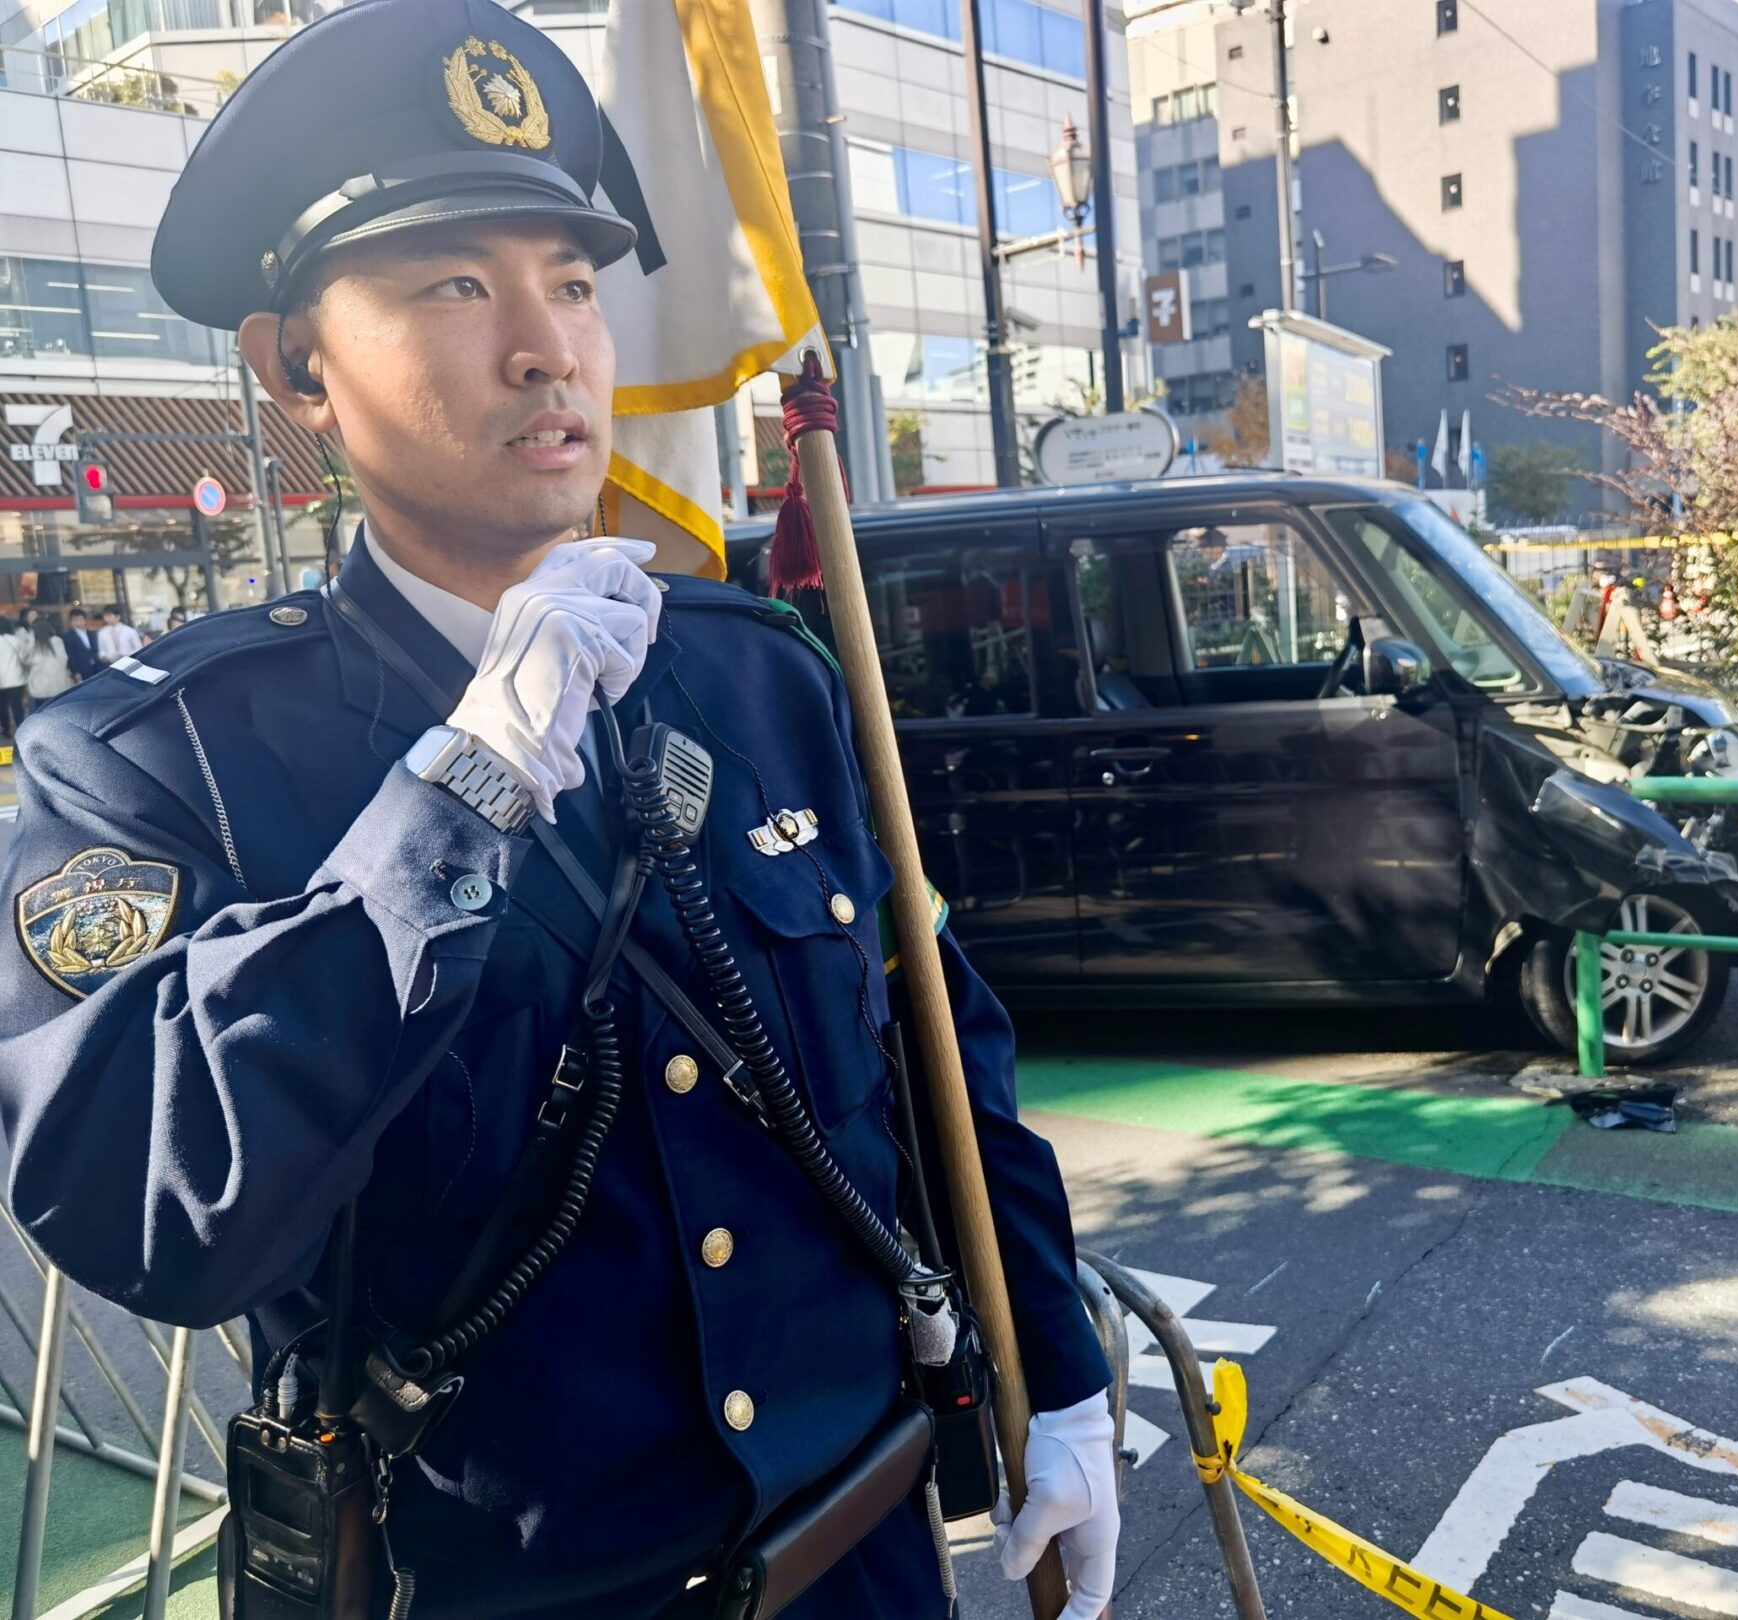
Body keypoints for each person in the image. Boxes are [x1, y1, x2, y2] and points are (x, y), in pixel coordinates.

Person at [0, 5, 1117, 1619]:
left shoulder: (761, 681)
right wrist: (462, 791)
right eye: (456, 283)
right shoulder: (163, 758)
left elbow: (933, 1034)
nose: (548, 347)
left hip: (865, 1565)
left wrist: (1056, 1367)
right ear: (297, 368)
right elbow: (148, 1203)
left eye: (575, 283)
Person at [22, 614, 72, 713]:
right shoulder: (58, 641)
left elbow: (25, 661)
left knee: (41, 713)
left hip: (39, 687)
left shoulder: (32, 644)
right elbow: (64, 659)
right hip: (58, 685)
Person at [0, 608, 26, 742]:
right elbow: (23, 657)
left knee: (2, 706)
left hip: (1, 681)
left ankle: (6, 729)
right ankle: (21, 727)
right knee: (17, 704)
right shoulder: (15, 640)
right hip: (17, 678)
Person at [62, 608, 99, 681]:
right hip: (82, 670)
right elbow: (71, 655)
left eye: (80, 619)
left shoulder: (92, 633)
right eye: (75, 620)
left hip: (97, 667)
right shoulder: (68, 636)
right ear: (71, 622)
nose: (78, 622)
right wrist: (76, 672)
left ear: (85, 620)